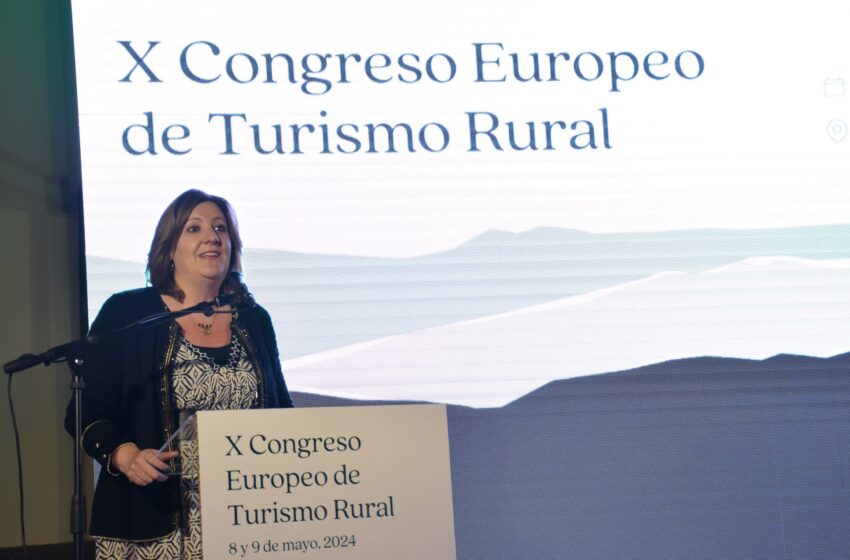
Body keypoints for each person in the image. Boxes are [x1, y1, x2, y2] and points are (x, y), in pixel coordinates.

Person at [65, 189, 294, 559]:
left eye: (220, 228)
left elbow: (281, 411)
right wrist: (125, 455)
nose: (212, 237)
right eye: (194, 228)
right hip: (151, 521)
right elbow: (85, 412)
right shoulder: (127, 312)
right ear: (169, 248)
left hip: (246, 518)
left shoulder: (254, 319)